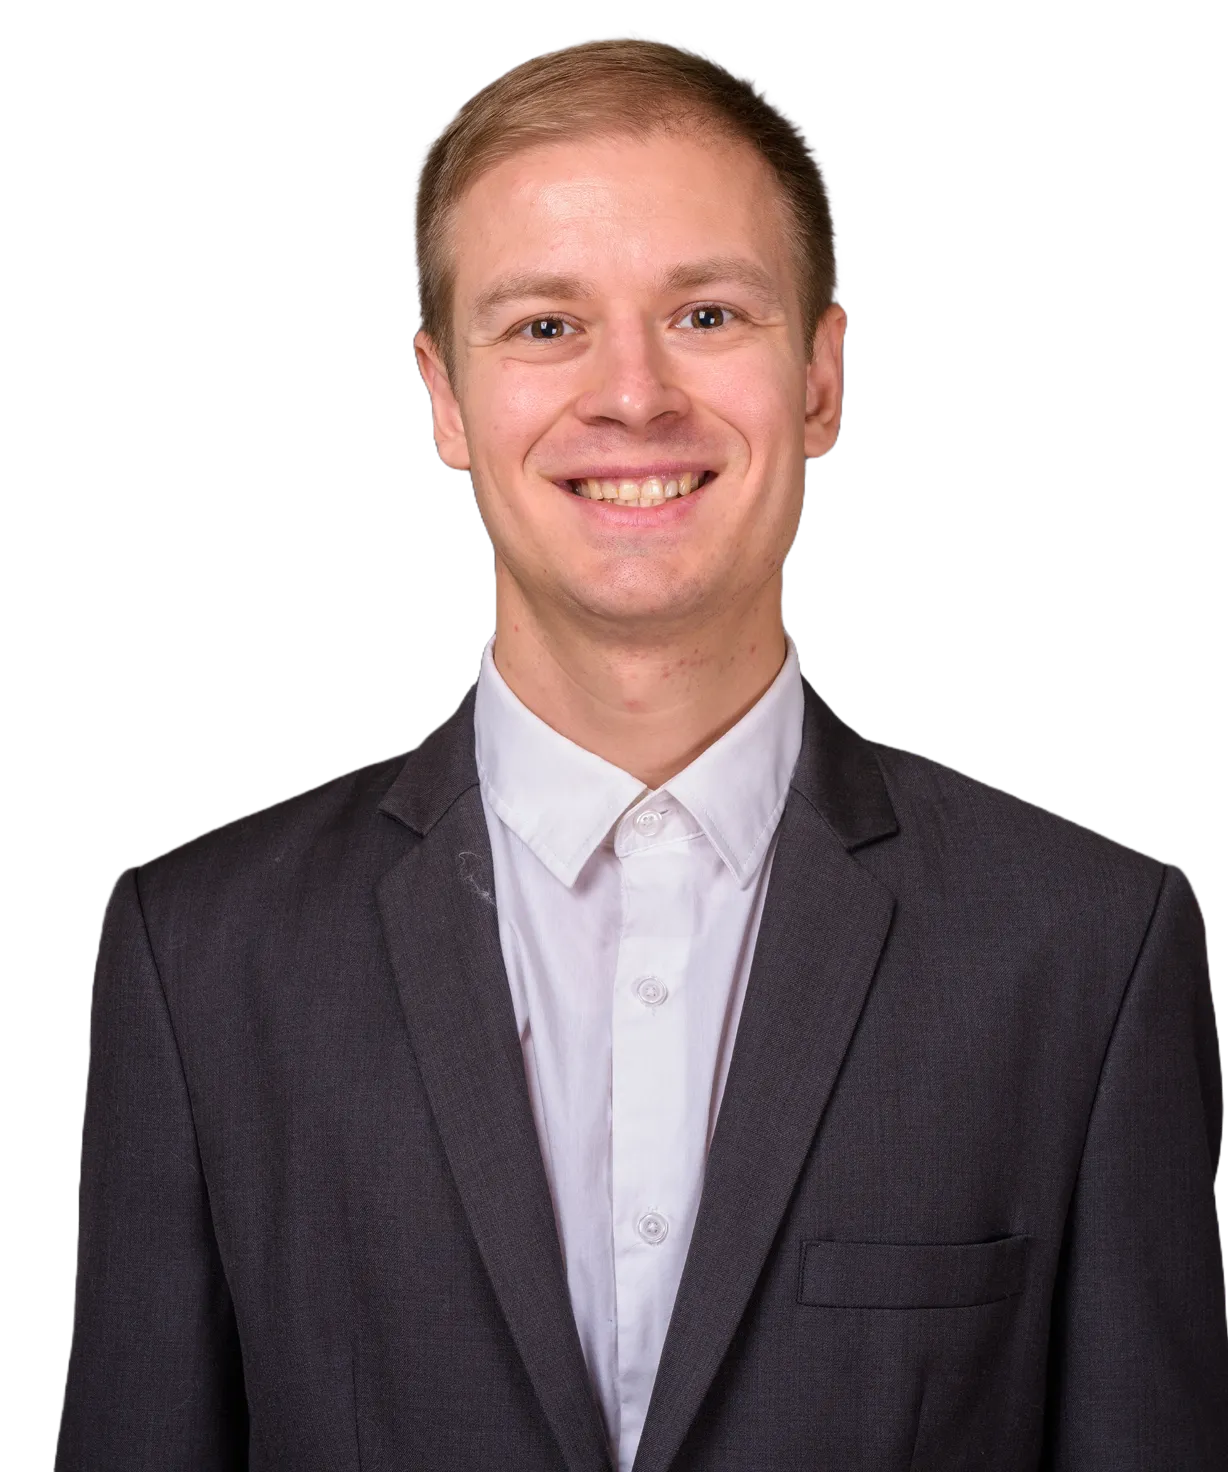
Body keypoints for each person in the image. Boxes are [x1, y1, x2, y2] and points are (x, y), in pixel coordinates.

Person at [59, 33, 1226, 1472]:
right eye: (546, 326)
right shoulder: (199, 953)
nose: (632, 397)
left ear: (821, 376)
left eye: (708, 315)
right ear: (443, 399)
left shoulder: (1089, 948)